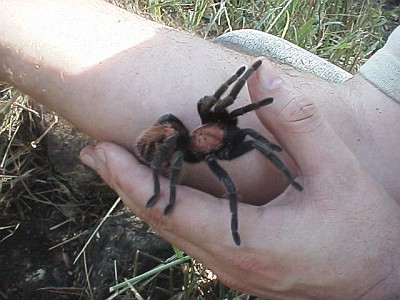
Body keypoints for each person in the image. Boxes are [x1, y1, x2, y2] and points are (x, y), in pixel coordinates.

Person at [1, 0, 399, 298]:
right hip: (173, 141)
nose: (221, 128)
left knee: (245, 146)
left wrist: (383, 279)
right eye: (216, 125)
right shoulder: (199, 129)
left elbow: (239, 130)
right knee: (241, 47)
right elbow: (222, 102)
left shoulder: (222, 137)